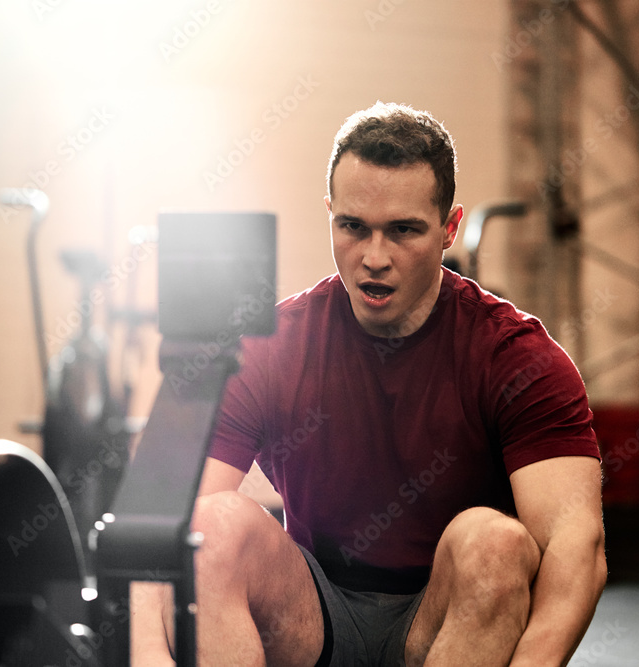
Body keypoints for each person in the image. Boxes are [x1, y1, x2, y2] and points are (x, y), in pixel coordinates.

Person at [135, 102, 606, 666]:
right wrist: (148, 657)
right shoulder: (271, 346)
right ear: (330, 215)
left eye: (403, 230)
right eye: (353, 228)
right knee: (212, 524)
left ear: (449, 228)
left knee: (497, 543)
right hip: (312, 612)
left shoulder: (513, 355)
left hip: (444, 618)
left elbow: (577, 546)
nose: (374, 258)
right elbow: (160, 518)